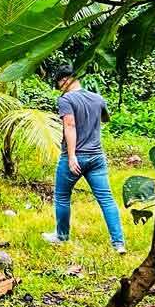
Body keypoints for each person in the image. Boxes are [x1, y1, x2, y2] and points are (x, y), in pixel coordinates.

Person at [43, 66, 127, 254]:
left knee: (62, 196)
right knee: (106, 199)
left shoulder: (66, 99)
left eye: (59, 83)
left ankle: (61, 236)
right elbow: (105, 119)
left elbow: (70, 125)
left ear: (64, 80)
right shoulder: (98, 98)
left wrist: (72, 156)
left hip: (74, 156)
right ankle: (118, 243)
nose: (60, 88)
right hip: (97, 156)